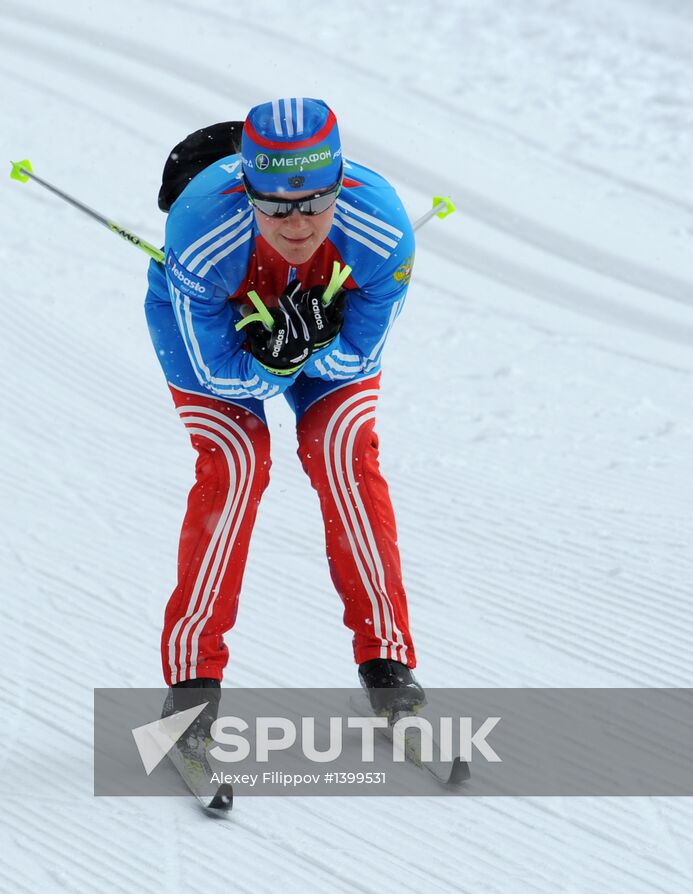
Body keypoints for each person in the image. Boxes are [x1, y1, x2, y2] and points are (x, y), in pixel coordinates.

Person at [145, 99, 424, 717]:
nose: (296, 226)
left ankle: (388, 667)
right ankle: (191, 686)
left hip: (325, 337)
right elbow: (217, 369)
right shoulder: (199, 231)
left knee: (343, 442)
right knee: (238, 459)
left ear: (340, 183)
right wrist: (271, 362)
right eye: (273, 206)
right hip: (218, 332)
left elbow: (360, 358)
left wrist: (305, 348)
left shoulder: (382, 230)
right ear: (246, 191)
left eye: (315, 203)